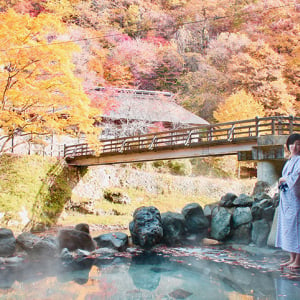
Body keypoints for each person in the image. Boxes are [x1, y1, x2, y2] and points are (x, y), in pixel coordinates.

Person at [276, 133, 300, 270]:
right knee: (288, 227)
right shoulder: (290, 160)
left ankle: (298, 259)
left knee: (297, 227)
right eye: (292, 144)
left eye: (298, 144)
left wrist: (283, 180)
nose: (295, 147)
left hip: (296, 197)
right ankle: (291, 257)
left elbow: (295, 177)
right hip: (286, 198)